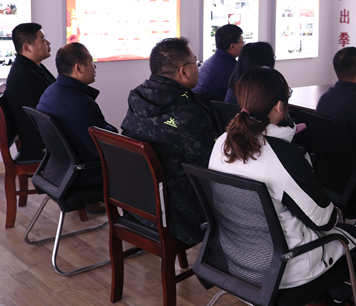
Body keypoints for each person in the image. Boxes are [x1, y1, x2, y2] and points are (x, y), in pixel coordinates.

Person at [209, 67, 356, 306]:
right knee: (352, 237)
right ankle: (334, 300)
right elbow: (325, 221)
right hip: (283, 271)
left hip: (235, 259)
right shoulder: (284, 156)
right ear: (280, 106)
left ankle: (320, 296)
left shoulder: (222, 143)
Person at [121, 37, 217, 246]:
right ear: (184, 71)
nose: (198, 67)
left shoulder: (138, 97)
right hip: (179, 217)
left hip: (137, 204)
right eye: (196, 62)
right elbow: (212, 165)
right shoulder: (187, 112)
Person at [36, 43, 117, 186]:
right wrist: (113, 131)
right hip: (86, 174)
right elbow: (101, 149)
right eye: (91, 62)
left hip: (61, 172)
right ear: (78, 68)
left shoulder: (50, 92)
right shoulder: (80, 103)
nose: (94, 67)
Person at [4, 23, 55, 159]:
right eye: (43, 39)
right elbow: (44, 116)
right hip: (43, 146)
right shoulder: (23, 76)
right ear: (27, 47)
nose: (48, 43)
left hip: (47, 138)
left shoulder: (32, 67)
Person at [193, 24, 244, 103]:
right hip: (215, 109)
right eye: (242, 41)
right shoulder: (231, 69)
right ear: (233, 46)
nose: (244, 44)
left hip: (202, 107)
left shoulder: (209, 62)